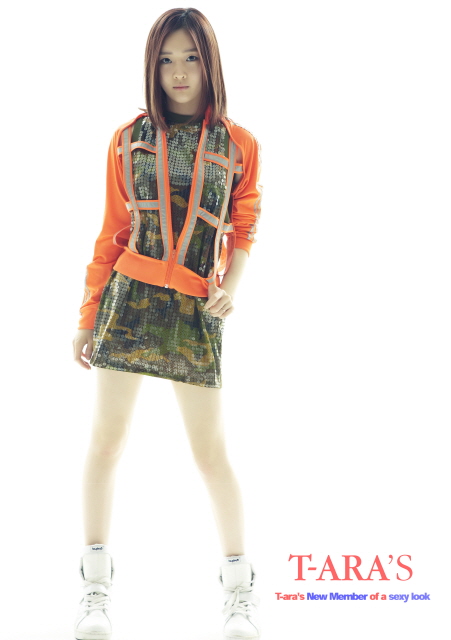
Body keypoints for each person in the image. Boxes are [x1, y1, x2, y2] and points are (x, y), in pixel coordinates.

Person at [72, 7, 263, 640]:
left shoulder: (239, 144)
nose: (179, 72)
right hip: (128, 302)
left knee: (211, 456)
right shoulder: (127, 138)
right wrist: (87, 316)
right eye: (166, 60)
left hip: (194, 311)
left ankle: (239, 591)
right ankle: (95, 588)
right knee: (106, 443)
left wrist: (230, 288)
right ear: (152, 68)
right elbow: (112, 231)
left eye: (190, 58)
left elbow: (244, 226)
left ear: (210, 64)